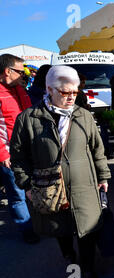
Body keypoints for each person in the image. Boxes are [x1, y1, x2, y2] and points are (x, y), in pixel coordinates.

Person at [10, 65, 111, 278]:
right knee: (61, 229)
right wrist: (26, 185)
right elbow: (18, 157)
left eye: (74, 92)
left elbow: (97, 148)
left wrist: (103, 176)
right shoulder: (28, 119)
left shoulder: (83, 115)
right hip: (50, 189)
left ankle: (88, 268)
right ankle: (68, 256)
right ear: (49, 89)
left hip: (85, 185)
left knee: (88, 229)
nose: (71, 97)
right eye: (65, 92)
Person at [0, 54, 39, 244]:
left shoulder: (21, 90)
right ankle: (27, 229)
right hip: (9, 156)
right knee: (17, 194)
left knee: (36, 186)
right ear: (7, 71)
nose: (24, 75)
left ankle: (40, 223)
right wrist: (3, 154)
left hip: (30, 149)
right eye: (20, 71)